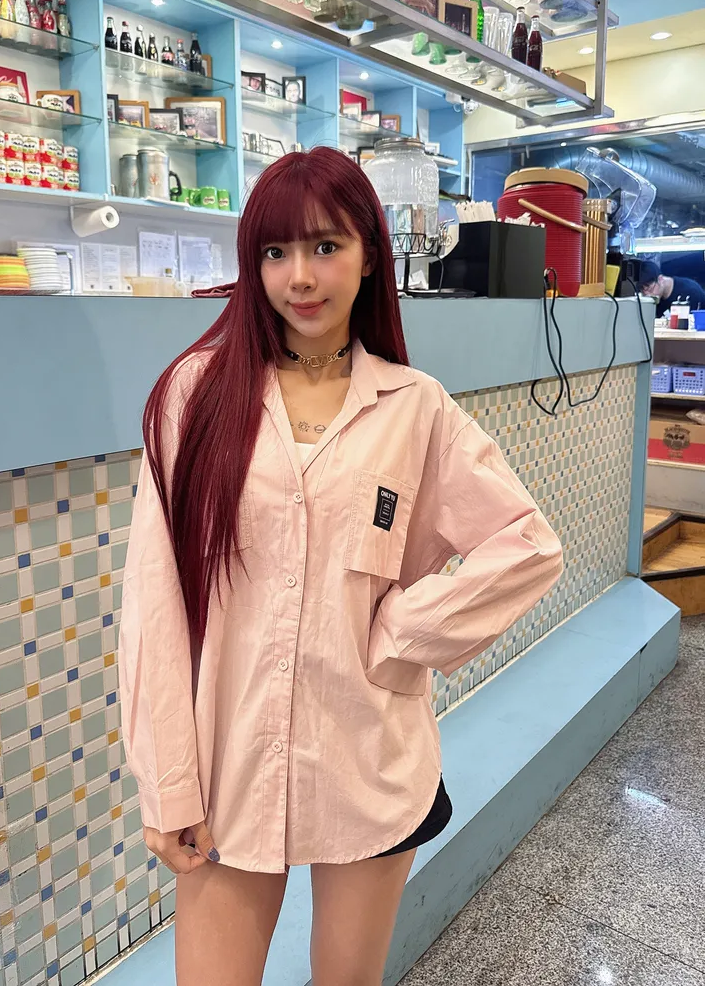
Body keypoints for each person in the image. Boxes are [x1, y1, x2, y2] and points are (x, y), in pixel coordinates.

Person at [118, 147, 563, 986]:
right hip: (227, 766)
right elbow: (155, 599)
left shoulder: (414, 407)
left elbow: (527, 544)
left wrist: (403, 631)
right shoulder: (196, 395)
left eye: (325, 246)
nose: (300, 276)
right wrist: (169, 782)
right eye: (275, 251)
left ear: (368, 254)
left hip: (369, 760)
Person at [638, 259, 705, 318]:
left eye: (648, 288)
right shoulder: (656, 298)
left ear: (660, 279)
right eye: (642, 289)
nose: (646, 294)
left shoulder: (690, 292)